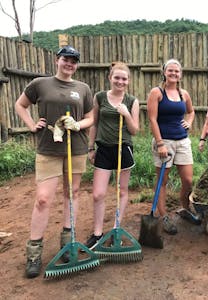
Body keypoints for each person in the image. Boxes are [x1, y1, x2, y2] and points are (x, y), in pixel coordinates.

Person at [14, 45, 93, 278]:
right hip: (48, 148)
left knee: (73, 192)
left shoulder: (83, 88)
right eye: (66, 59)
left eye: (74, 61)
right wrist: (31, 126)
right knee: (43, 199)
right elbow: (20, 105)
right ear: (57, 60)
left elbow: (90, 118)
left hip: (76, 148)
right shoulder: (40, 84)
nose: (70, 64)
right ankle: (34, 252)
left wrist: (78, 125)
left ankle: (68, 242)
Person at [84, 62, 140, 249]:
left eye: (124, 79)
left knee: (122, 191)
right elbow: (94, 123)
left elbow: (134, 130)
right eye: (117, 77)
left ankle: (116, 228)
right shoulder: (100, 97)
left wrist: (126, 114)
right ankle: (98, 233)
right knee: (98, 194)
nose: (120, 81)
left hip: (123, 149)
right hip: (104, 149)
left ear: (128, 81)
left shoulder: (132, 101)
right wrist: (90, 148)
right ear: (110, 78)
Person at [147, 58, 199, 235]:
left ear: (181, 74)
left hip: (183, 141)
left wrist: (189, 122)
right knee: (163, 181)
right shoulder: (157, 92)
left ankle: (185, 209)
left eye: (177, 71)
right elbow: (152, 119)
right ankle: (164, 217)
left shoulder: (184, 94)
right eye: (170, 70)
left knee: (188, 180)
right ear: (164, 72)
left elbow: (191, 112)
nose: (173, 74)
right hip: (164, 142)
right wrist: (160, 143)